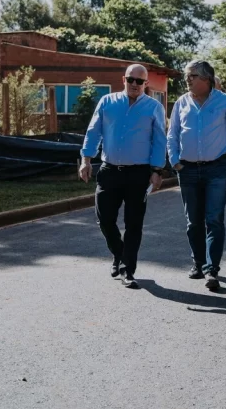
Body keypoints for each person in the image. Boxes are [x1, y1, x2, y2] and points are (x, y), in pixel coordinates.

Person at [79, 64, 167, 289]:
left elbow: (159, 140)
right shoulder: (107, 102)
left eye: (140, 81)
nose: (135, 84)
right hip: (109, 170)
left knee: (134, 224)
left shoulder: (153, 107)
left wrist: (157, 170)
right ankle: (119, 254)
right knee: (104, 218)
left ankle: (128, 270)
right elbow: (93, 131)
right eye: (131, 80)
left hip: (138, 173)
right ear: (124, 80)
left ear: (146, 84)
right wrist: (86, 160)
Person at [168, 60, 226, 291]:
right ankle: (198, 263)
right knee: (193, 221)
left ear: (207, 79)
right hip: (188, 169)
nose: (188, 79)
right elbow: (172, 134)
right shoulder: (181, 103)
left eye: (192, 75)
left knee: (214, 219)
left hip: (217, 169)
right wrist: (174, 161)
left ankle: (212, 270)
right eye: (187, 75)